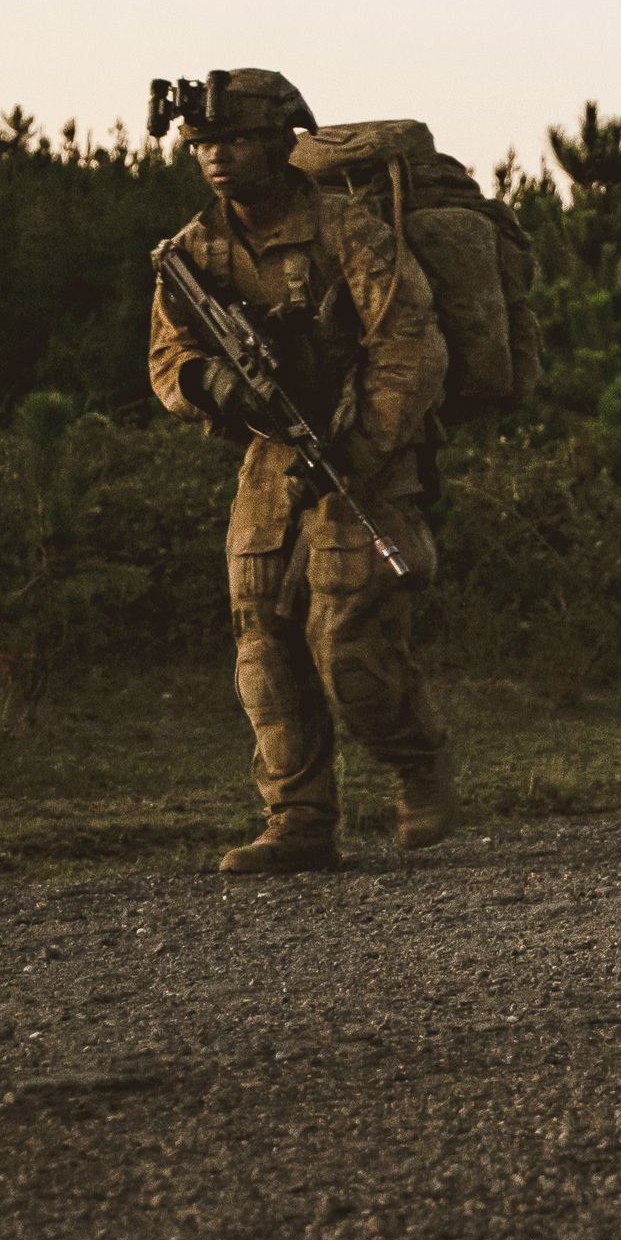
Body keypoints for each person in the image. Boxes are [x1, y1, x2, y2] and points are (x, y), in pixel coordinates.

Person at [144, 68, 451, 874]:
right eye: (203, 142)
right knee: (261, 637)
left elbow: (408, 344)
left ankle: (418, 764)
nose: (216, 156)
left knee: (345, 639)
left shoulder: (348, 230)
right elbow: (168, 358)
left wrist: (361, 447)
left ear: (282, 140)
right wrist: (214, 382)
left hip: (362, 449)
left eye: (234, 139)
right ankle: (298, 819)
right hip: (271, 454)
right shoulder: (193, 251)